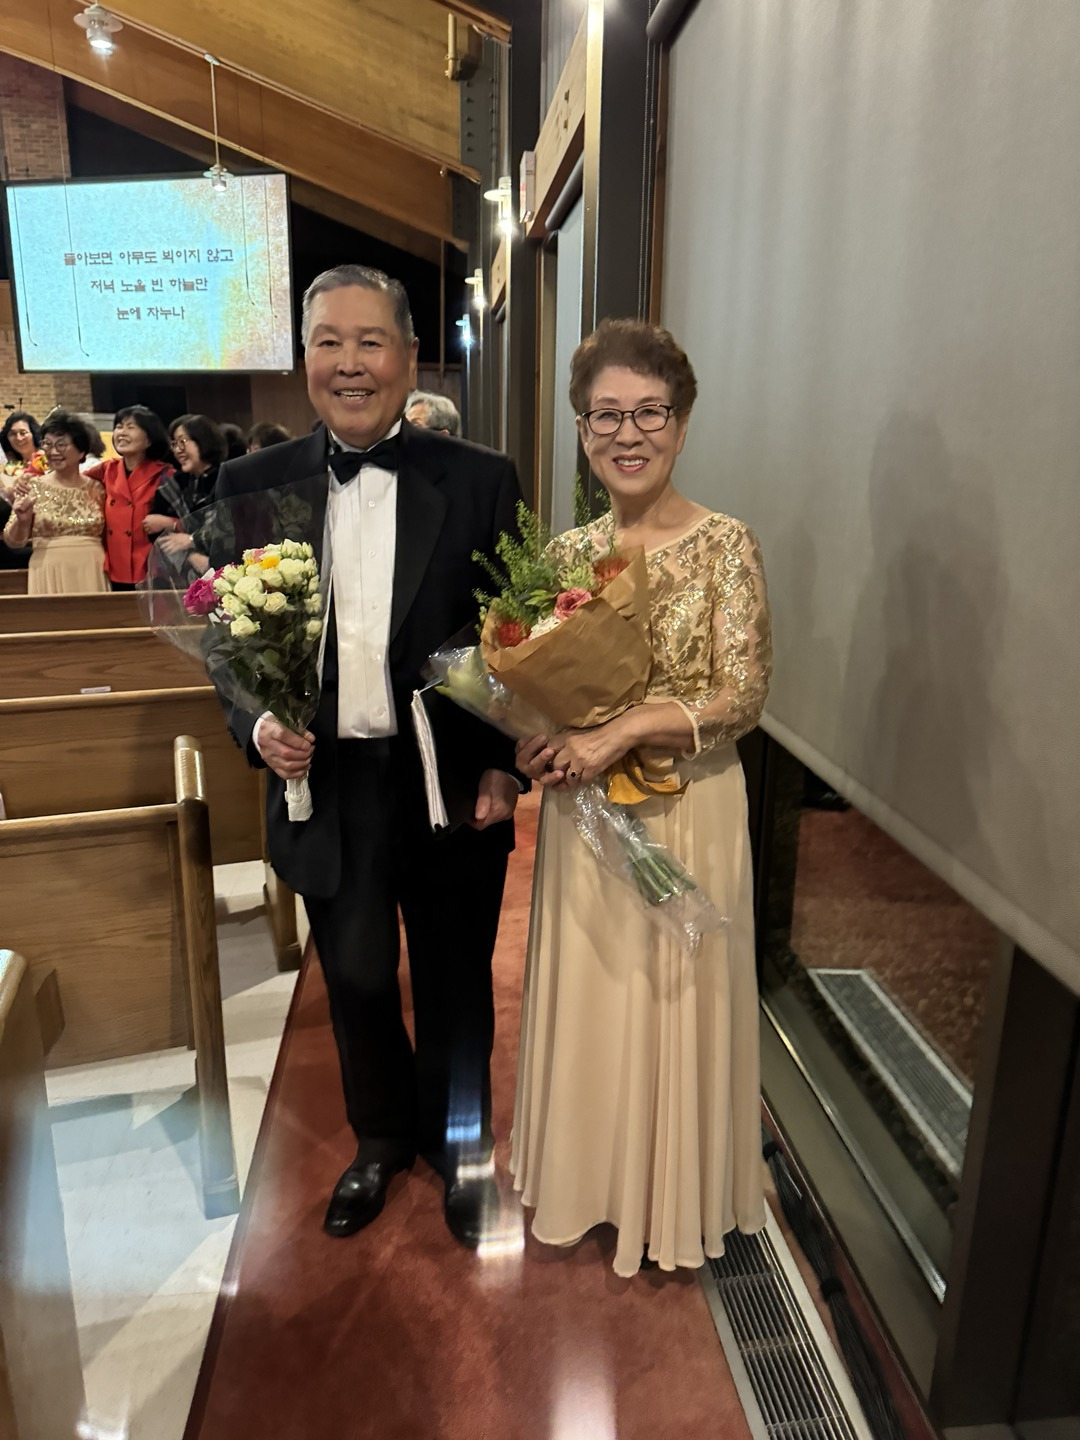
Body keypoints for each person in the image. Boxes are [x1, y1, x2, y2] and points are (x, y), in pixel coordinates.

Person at [210, 264, 523, 1247]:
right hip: (325, 782)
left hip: (446, 777)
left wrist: (505, 762)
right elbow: (225, 641)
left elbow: (512, 639)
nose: (349, 363)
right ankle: (381, 1140)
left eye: (370, 341)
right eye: (328, 343)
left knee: (456, 977)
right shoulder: (253, 486)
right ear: (305, 358)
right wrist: (258, 725)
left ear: (409, 355)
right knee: (353, 978)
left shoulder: (480, 478)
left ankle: (461, 1150)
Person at [511, 318, 772, 1278]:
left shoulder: (726, 544)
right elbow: (543, 690)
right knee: (599, 989)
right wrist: (539, 741)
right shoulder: (565, 554)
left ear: (683, 423)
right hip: (588, 815)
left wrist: (622, 730)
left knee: (676, 992)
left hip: (692, 808)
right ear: (582, 430)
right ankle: (595, 1181)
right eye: (605, 415)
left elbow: (743, 695)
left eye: (650, 413)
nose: (628, 434)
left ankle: (676, 1198)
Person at [1, 410, 108, 593]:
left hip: (92, 568)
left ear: (81, 450)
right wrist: (22, 521)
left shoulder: (99, 489)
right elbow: (13, 542)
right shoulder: (32, 487)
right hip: (48, 569)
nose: (53, 452)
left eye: (61, 445)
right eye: (47, 444)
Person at [84, 406, 174, 589]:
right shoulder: (106, 469)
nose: (122, 433)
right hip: (114, 567)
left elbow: (189, 519)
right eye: (119, 426)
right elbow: (72, 480)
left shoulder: (166, 475)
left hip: (152, 568)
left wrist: (170, 522)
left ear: (149, 439)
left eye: (130, 427)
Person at [147, 414, 227, 575]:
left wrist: (190, 538)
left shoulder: (227, 477)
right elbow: (156, 532)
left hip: (229, 566)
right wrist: (190, 556)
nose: (177, 450)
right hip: (187, 574)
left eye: (182, 441)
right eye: (174, 444)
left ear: (204, 440)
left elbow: (232, 527)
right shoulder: (175, 484)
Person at [1, 411, 44, 483]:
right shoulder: (11, 464)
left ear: (33, 433)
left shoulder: (45, 459)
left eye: (23, 433)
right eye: (13, 434)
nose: (19, 438)